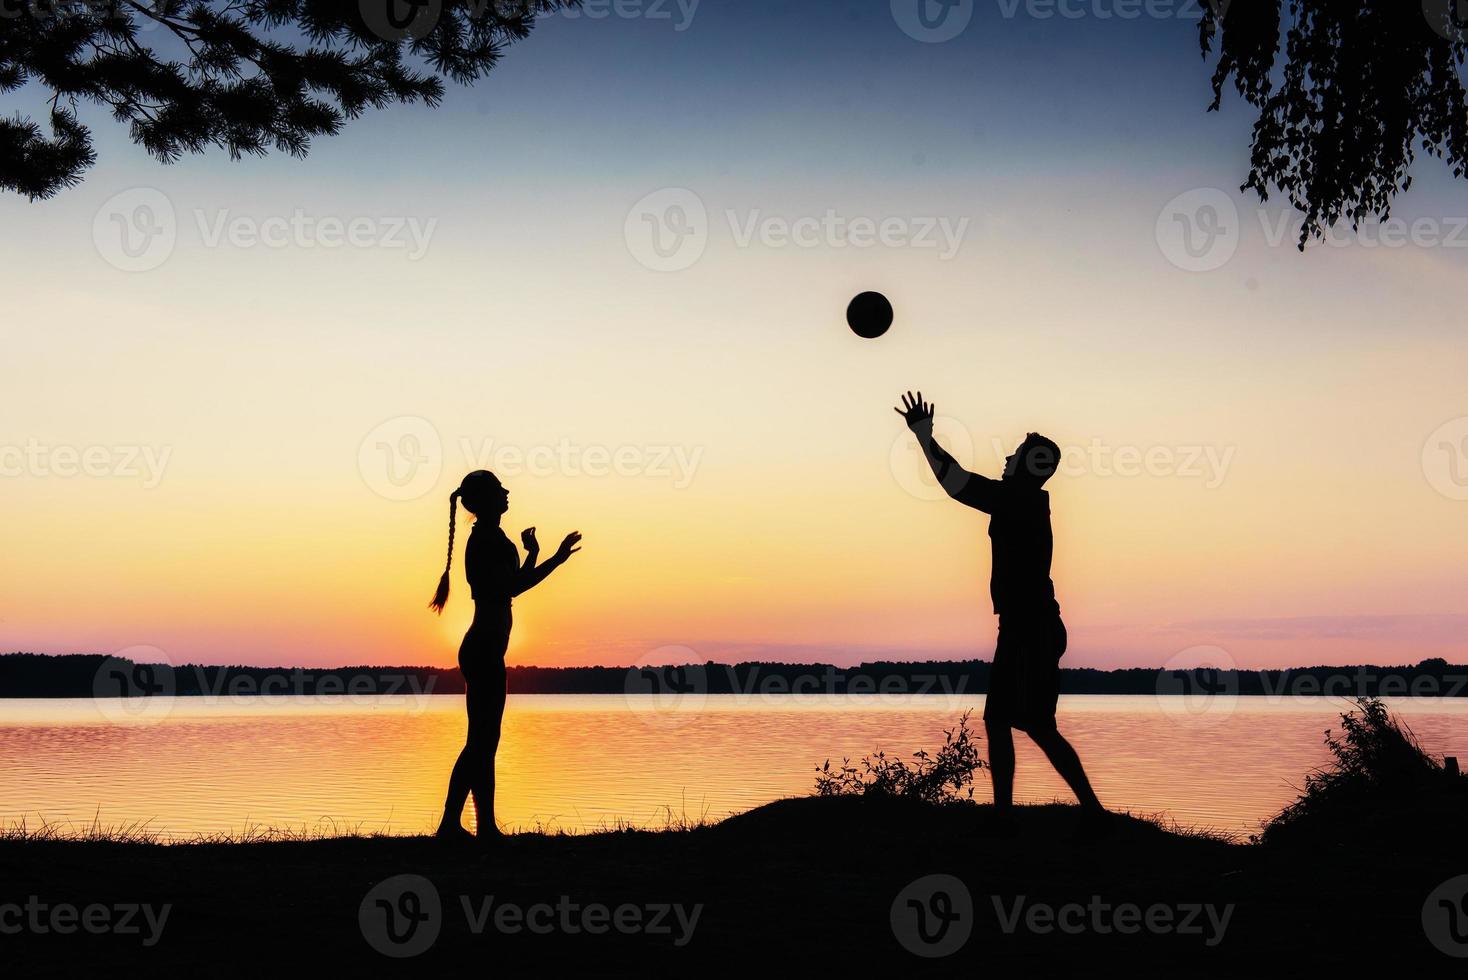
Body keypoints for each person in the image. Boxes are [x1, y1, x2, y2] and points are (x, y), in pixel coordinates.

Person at [894, 392, 1106, 835]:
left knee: (1030, 724)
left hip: (1033, 627)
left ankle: (1068, 813)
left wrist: (924, 437)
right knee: (1020, 722)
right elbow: (963, 482)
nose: (1007, 458)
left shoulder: (1020, 499)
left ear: (1030, 465)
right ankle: (1027, 813)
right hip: (1027, 625)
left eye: (1015, 454)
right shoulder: (1022, 499)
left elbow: (957, 482)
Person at [428, 470, 582, 843]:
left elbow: (510, 587)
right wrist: (557, 559)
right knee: (481, 740)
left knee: (485, 739)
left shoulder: (491, 537)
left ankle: (483, 827)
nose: (507, 492)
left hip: (485, 648)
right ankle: (453, 825)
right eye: (499, 490)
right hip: (483, 649)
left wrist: (533, 555)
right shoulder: (485, 539)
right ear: (484, 501)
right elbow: (512, 586)